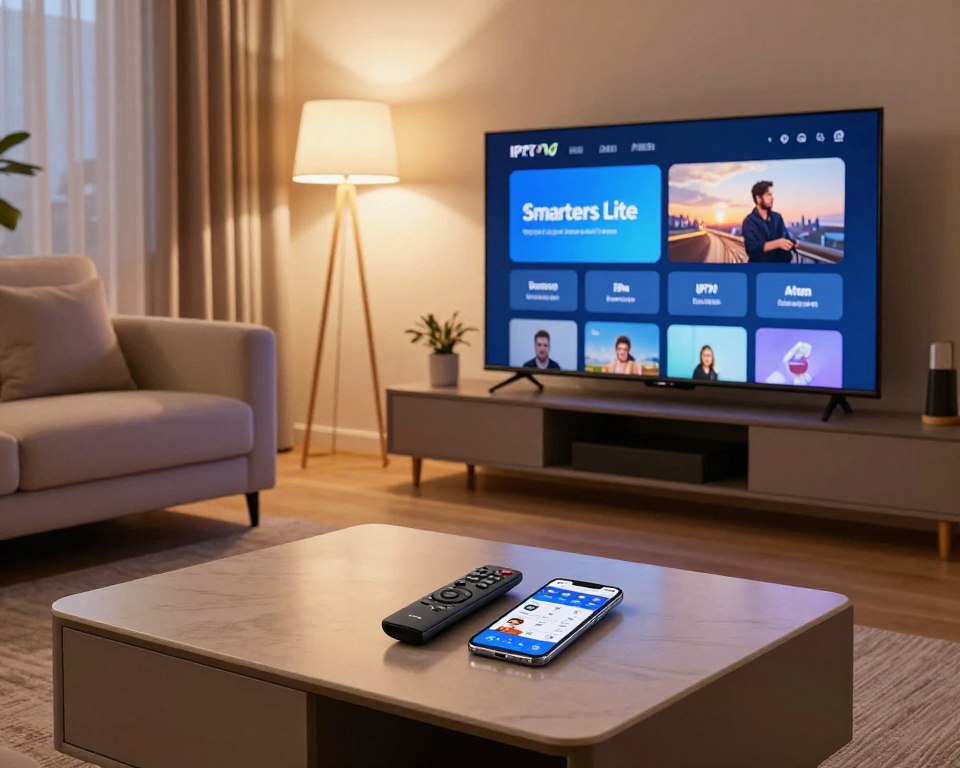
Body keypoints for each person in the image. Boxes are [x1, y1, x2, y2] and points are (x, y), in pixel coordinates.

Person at [741, 180, 797, 263]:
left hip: (779, 269)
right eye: (768, 195)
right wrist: (776, 244)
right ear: (758, 198)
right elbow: (751, 249)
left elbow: (785, 237)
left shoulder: (777, 217)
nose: (772, 198)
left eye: (772, 195)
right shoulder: (749, 222)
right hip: (759, 270)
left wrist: (792, 242)